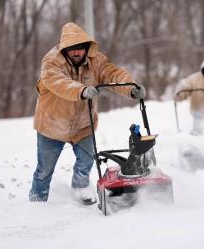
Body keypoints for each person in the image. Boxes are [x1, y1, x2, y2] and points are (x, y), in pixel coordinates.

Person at [29, 22, 146, 205]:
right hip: (52, 126)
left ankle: (80, 188)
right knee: (44, 171)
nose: (76, 53)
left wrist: (131, 88)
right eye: (72, 49)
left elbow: (113, 74)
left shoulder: (96, 61)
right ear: (64, 49)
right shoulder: (51, 62)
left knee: (86, 162)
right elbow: (58, 83)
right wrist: (81, 91)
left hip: (83, 125)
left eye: (80, 49)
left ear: (86, 48)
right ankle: (36, 202)